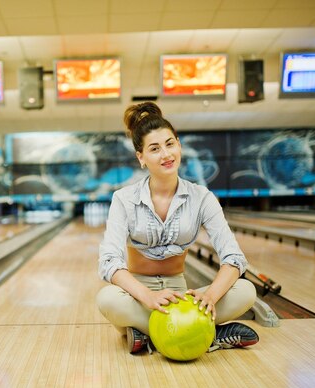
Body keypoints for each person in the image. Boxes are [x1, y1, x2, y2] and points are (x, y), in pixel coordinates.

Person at [97, 102, 259, 354]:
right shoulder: (124, 199)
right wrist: (146, 296)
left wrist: (211, 296)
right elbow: (109, 262)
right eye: (154, 148)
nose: (166, 154)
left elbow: (234, 259)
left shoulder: (202, 197)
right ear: (141, 157)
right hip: (139, 298)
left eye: (170, 144)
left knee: (246, 291)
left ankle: (150, 336)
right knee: (107, 299)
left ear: (179, 145)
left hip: (183, 297)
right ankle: (206, 333)